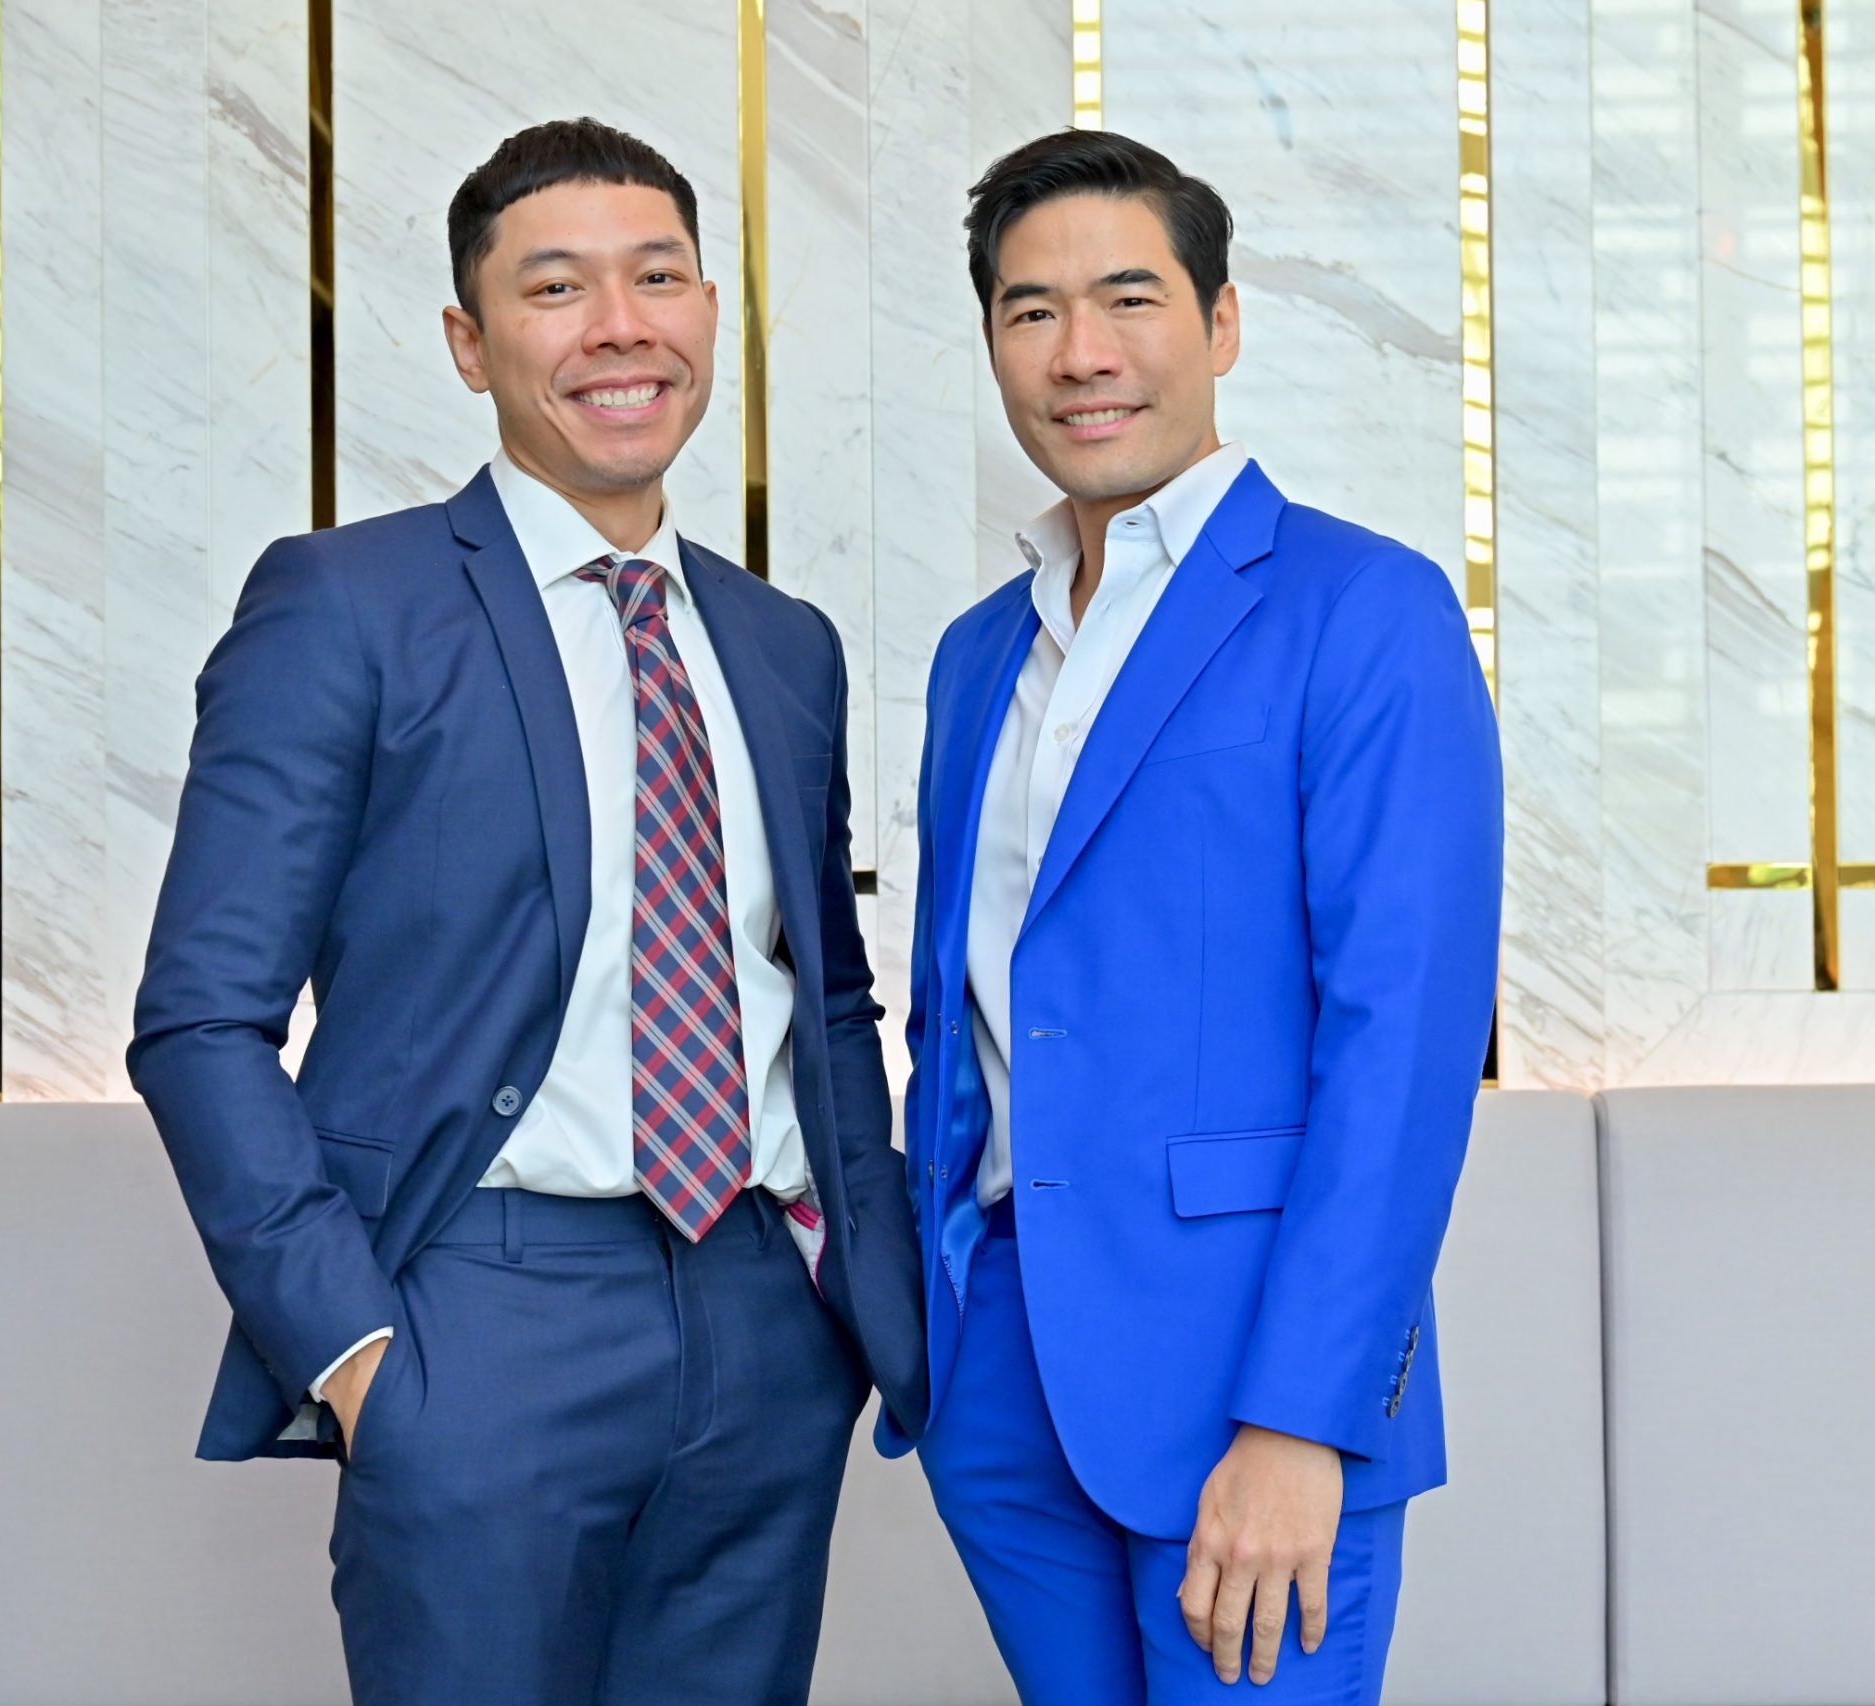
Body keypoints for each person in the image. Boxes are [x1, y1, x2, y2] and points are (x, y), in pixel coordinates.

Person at [129, 116, 924, 1706]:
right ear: (468, 341)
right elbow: (199, 1018)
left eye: (659, 278)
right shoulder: (349, 604)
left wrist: (857, 1299)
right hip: (482, 1310)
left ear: (710, 313)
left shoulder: (785, 644)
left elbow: (826, 997)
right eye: (557, 288)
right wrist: (358, 1351)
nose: (621, 325)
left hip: (765, 1317)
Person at [880, 128, 1503, 1704]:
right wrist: (935, 1342)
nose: (1081, 353)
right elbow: (960, 1012)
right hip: (1001, 1374)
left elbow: (1403, 1051)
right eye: (1031, 311)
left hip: (1249, 1383)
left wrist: (1305, 1416)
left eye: (1130, 299)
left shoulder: (1365, 609)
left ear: (1221, 323)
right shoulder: (976, 654)